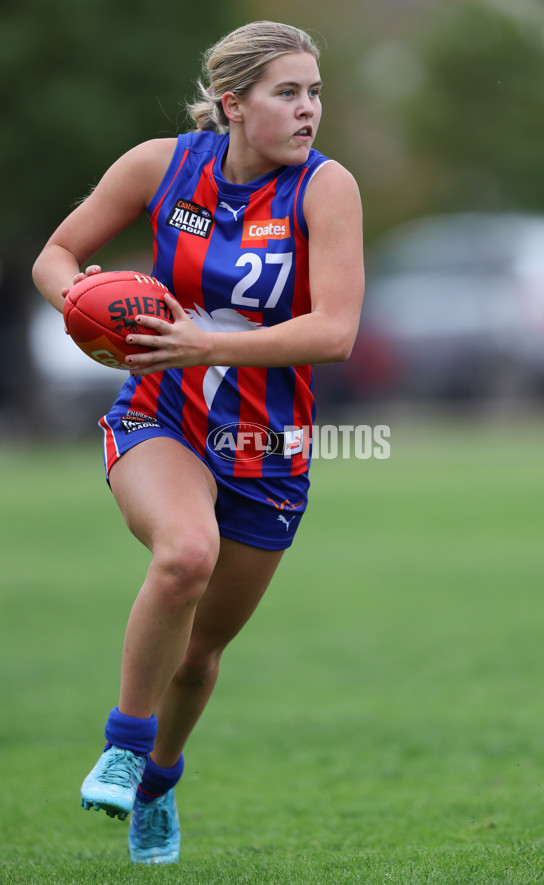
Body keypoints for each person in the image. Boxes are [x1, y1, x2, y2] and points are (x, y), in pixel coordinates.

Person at [32, 20, 364, 865]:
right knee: (185, 554)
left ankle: (158, 780)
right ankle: (123, 742)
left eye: (314, 92)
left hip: (265, 441)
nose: (308, 110)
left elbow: (335, 332)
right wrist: (86, 302)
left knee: (201, 656)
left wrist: (209, 342)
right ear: (233, 104)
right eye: (287, 92)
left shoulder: (326, 190)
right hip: (162, 411)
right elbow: (58, 255)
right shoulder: (161, 165)